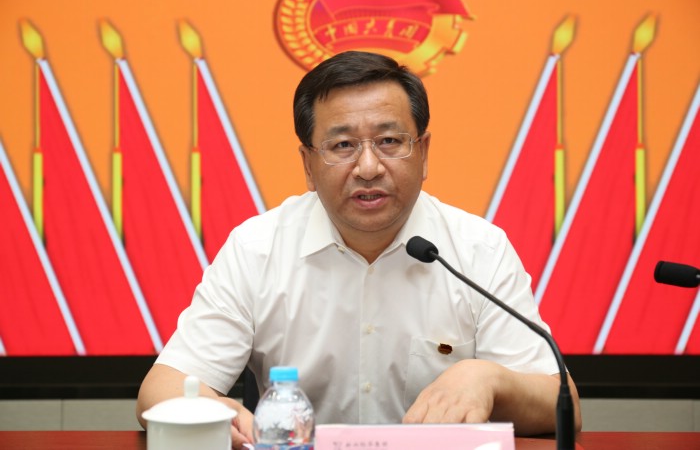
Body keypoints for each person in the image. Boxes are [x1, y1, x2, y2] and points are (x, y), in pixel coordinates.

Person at [136, 50, 582, 448]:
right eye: (343, 145)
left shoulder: (478, 250)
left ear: (423, 152)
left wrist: (489, 378)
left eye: (389, 141)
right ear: (308, 165)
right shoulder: (257, 249)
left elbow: (563, 406)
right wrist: (218, 412)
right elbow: (161, 389)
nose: (368, 168)